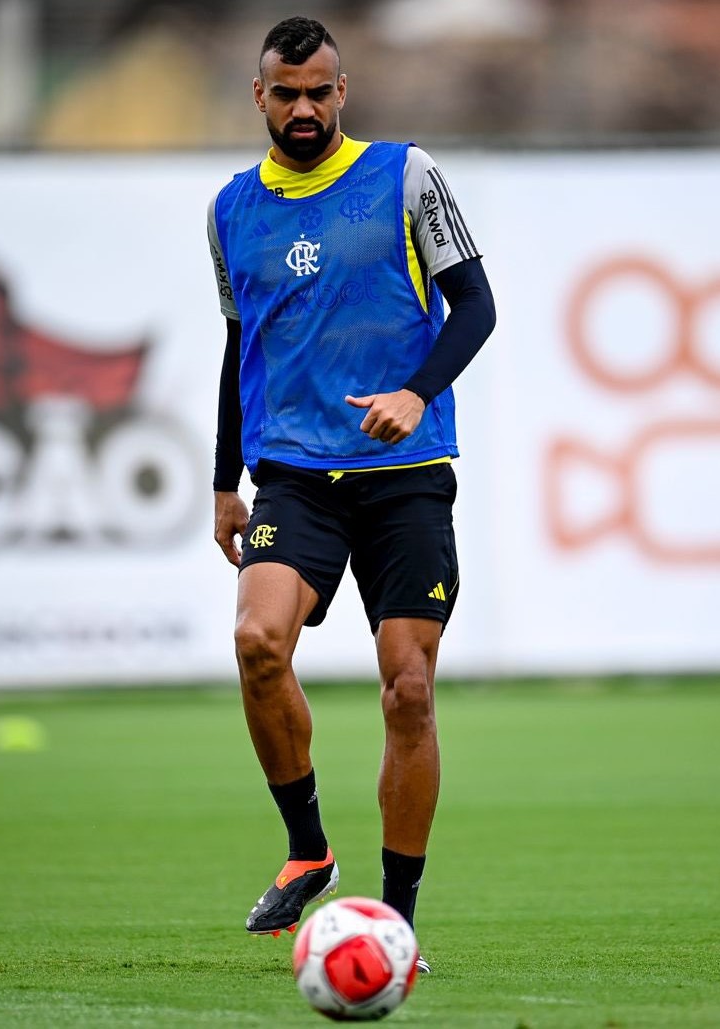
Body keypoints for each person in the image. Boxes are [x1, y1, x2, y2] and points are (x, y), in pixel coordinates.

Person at [206, 16, 495, 970]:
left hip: (405, 477)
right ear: (260, 97)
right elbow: (235, 349)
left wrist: (417, 393)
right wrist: (222, 484)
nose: (302, 108)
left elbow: (478, 305)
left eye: (318, 91)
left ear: (344, 91)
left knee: (408, 692)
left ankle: (398, 915)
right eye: (284, 93)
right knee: (255, 642)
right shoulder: (230, 210)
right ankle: (307, 848)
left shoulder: (405, 175)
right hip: (293, 473)